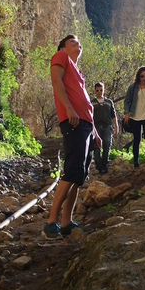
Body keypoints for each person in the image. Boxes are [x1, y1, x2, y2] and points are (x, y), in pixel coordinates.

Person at [43, 34, 101, 239]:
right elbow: (57, 83)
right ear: (63, 47)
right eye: (73, 42)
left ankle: (66, 222)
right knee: (72, 170)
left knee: (80, 175)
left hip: (86, 125)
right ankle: (51, 222)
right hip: (74, 121)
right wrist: (68, 109)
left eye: (79, 41)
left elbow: (86, 105)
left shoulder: (79, 71)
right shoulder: (60, 57)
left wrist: (95, 131)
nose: (79, 44)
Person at [91, 82, 119, 175]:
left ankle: (104, 164)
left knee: (107, 144)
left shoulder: (109, 102)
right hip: (96, 127)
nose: (99, 92)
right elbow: (89, 115)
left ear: (104, 90)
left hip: (107, 126)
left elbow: (113, 114)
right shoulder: (92, 102)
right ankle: (98, 165)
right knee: (97, 146)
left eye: (101, 90)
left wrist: (116, 126)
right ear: (95, 91)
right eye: (97, 90)